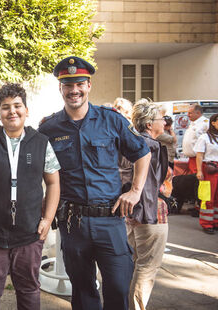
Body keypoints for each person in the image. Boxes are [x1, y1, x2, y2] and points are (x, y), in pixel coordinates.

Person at [38, 56, 151, 310]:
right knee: (83, 290)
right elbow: (33, 167)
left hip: (109, 220)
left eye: (79, 83)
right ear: (60, 89)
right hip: (72, 222)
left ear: (88, 85)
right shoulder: (49, 128)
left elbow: (143, 153)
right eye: (68, 85)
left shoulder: (112, 120)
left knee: (119, 285)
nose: (74, 90)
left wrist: (135, 191)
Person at [0, 83, 61, 310]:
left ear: (27, 110)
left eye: (17, 106)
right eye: (5, 107)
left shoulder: (41, 143)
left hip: (29, 231)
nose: (12, 111)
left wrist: (47, 219)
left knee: (28, 288)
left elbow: (54, 182)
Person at [127, 99, 169, 310]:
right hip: (150, 213)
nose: (165, 123)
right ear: (150, 123)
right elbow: (151, 185)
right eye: (162, 119)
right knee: (147, 266)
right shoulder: (151, 146)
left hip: (131, 212)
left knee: (133, 264)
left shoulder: (131, 142)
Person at [194, 113, 218, 235]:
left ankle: (216, 221)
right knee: (207, 197)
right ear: (213, 123)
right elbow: (199, 155)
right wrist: (199, 171)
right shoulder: (205, 137)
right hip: (209, 170)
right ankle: (207, 223)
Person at [182, 104, 209, 173]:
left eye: (190, 113)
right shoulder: (193, 123)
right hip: (191, 159)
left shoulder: (205, 123)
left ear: (198, 113)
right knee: (194, 182)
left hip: (200, 160)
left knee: (200, 182)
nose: (188, 115)